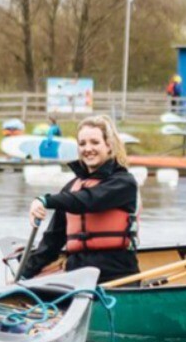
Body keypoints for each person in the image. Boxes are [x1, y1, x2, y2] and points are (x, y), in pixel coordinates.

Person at [18, 114, 139, 284]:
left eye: (95, 142)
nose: (88, 148)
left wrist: (45, 200)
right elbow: (52, 241)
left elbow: (90, 200)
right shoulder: (72, 188)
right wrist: (24, 274)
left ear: (109, 146)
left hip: (115, 276)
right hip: (76, 277)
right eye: (82, 144)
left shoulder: (124, 183)